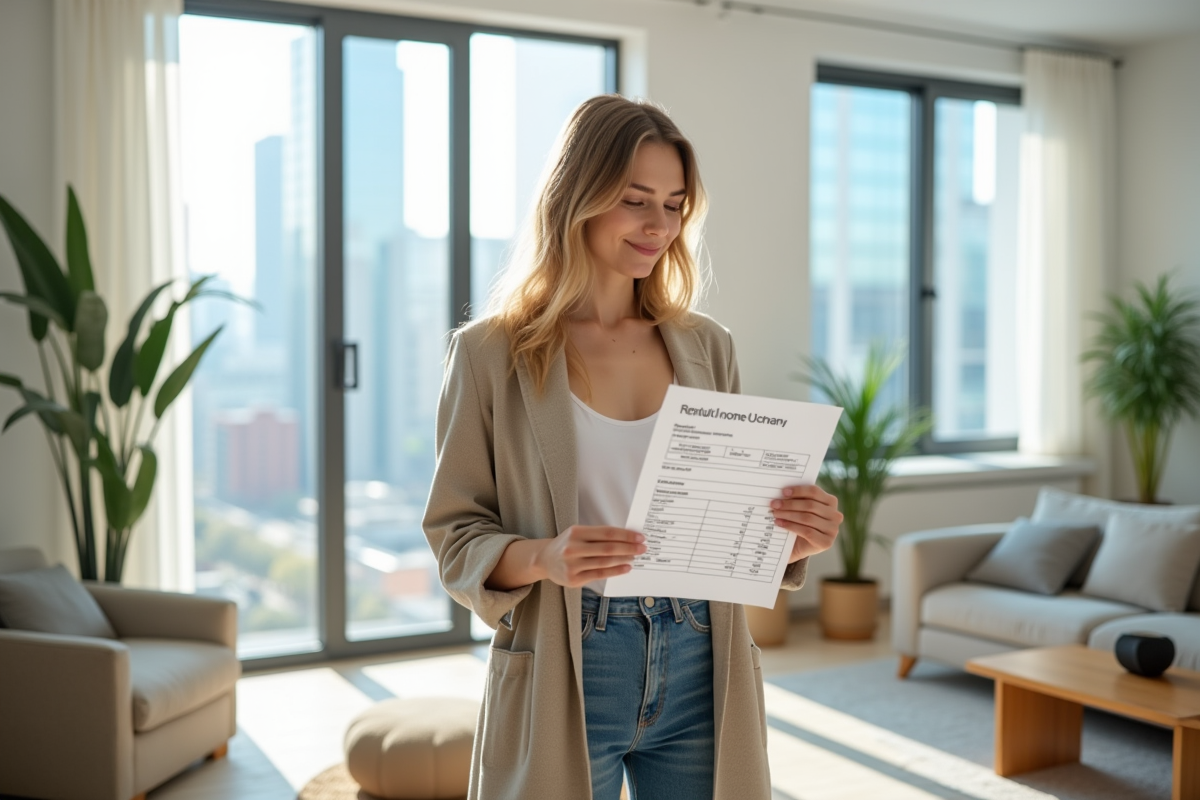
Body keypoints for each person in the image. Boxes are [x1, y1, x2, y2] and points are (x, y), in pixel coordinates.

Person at [422, 94, 843, 800]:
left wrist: (787, 542)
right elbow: (454, 535)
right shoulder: (489, 354)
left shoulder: (708, 347)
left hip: (702, 649)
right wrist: (544, 557)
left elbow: (723, 526)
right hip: (573, 651)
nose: (660, 226)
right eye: (635, 200)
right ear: (576, 199)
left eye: (676, 205)